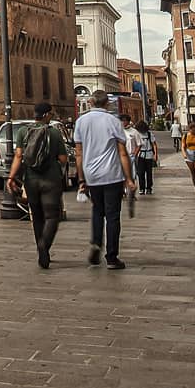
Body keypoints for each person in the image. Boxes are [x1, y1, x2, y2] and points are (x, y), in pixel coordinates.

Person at [73, 90, 136, 270]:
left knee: (97, 210)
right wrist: (129, 178)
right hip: (112, 174)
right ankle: (112, 257)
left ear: (91, 102)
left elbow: (79, 153)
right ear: (107, 104)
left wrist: (81, 179)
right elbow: (123, 153)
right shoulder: (113, 121)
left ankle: (95, 242)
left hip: (92, 175)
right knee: (113, 216)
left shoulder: (81, 121)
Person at [7, 102, 70, 269]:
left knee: (37, 216)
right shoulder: (54, 133)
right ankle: (45, 245)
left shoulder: (23, 132)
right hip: (51, 180)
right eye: (51, 114)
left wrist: (11, 177)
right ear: (47, 114)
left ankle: (41, 251)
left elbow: (18, 156)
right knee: (51, 216)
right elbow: (63, 159)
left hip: (31, 180)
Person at [132, 120, 157, 195]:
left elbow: (154, 144)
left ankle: (149, 188)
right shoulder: (137, 134)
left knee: (149, 173)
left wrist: (155, 154)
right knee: (140, 173)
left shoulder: (149, 134)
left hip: (149, 155)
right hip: (140, 155)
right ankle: (142, 188)